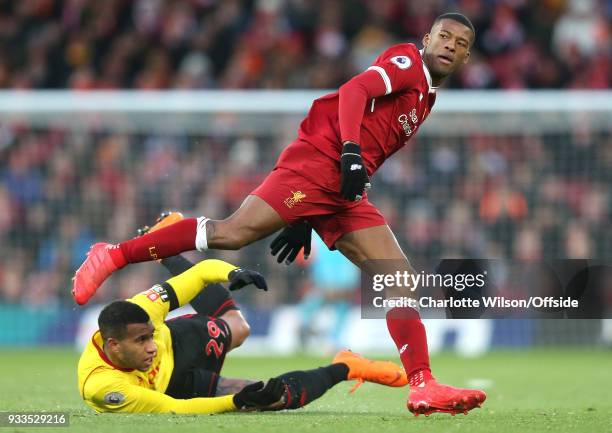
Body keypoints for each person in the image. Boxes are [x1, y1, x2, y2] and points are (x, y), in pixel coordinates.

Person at [73, 13, 486, 416]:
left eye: (461, 43)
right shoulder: (407, 63)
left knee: (399, 281)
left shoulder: (426, 95)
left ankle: (423, 386)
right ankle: (115, 253)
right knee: (232, 233)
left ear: (467, 59)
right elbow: (354, 91)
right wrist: (349, 153)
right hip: (321, 163)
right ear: (426, 39)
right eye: (444, 36)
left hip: (343, 190)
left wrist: (307, 218)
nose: (451, 45)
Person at [77, 215, 409, 413]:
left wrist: (231, 272)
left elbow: (201, 274)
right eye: (141, 340)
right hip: (175, 388)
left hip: (181, 345)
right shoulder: (103, 387)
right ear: (113, 346)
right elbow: (173, 408)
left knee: (240, 328)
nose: (150, 345)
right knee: (272, 398)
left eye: (150, 334)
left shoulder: (145, 308)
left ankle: (168, 250)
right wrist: (236, 402)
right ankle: (347, 366)